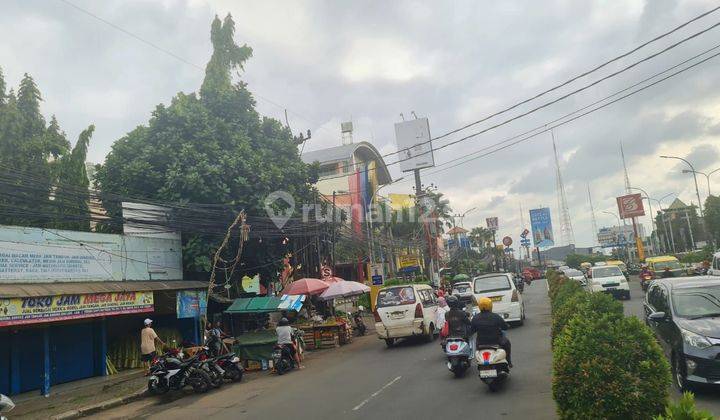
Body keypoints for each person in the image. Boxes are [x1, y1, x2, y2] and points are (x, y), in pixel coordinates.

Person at [471, 297, 512, 368]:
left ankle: (480, 363)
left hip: (481, 342)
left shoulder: (475, 318)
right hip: (496, 341)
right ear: (490, 306)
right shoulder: (496, 317)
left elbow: (472, 330)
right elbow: (505, 327)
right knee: (507, 344)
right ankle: (508, 361)